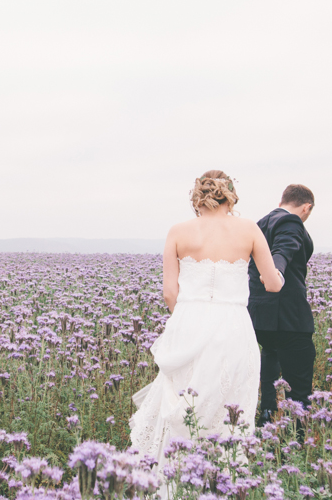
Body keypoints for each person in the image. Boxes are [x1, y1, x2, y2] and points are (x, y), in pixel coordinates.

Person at [129, 170, 283, 463]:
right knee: (230, 407)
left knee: (184, 403)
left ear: (197, 197)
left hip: (188, 322)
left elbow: (169, 293)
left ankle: (170, 481)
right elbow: (273, 284)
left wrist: (189, 315)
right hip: (233, 327)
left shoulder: (178, 231)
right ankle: (223, 483)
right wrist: (279, 273)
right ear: (231, 196)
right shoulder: (249, 230)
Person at [246, 184, 316, 429]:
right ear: (306, 207)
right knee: (299, 376)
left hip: (259, 316)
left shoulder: (260, 223)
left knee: (271, 354)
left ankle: (267, 413)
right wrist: (276, 271)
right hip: (288, 315)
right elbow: (283, 250)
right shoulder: (291, 222)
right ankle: (296, 434)